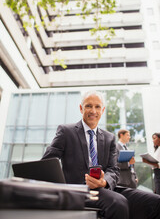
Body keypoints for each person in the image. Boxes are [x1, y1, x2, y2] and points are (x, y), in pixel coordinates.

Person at [42, 91, 160, 219]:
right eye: (88, 106)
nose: (93, 111)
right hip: (79, 190)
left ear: (102, 110)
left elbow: (113, 170)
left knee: (155, 202)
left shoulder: (109, 138)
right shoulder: (66, 131)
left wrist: (104, 182)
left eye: (97, 106)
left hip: (105, 188)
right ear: (81, 108)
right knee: (118, 203)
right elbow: (47, 163)